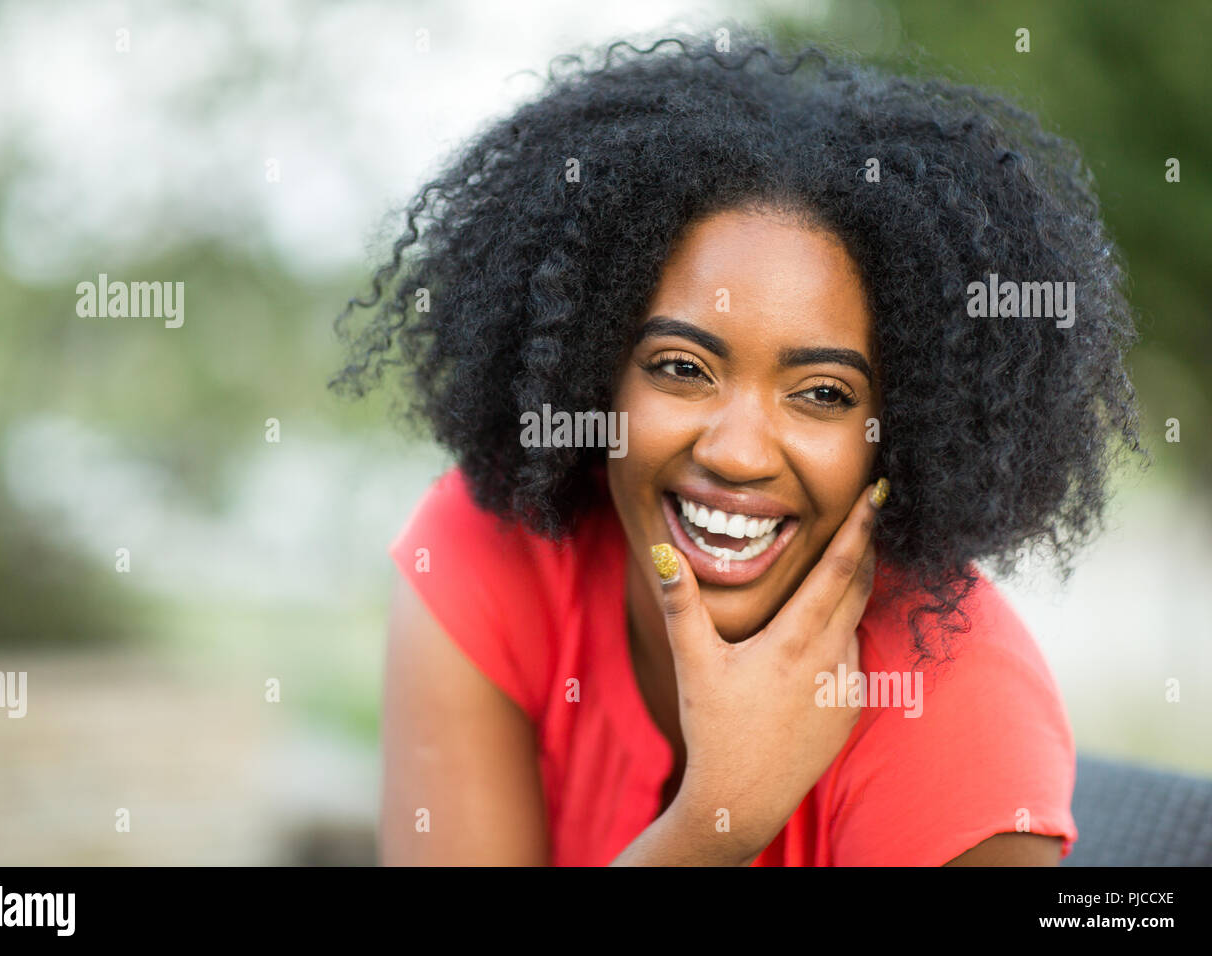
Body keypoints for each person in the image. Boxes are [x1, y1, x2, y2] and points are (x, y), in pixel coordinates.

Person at [333, 29, 1143, 865]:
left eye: (823, 394)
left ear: (903, 429)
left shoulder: (964, 708)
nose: (737, 453)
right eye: (681, 368)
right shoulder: (488, 550)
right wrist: (714, 821)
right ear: (592, 371)